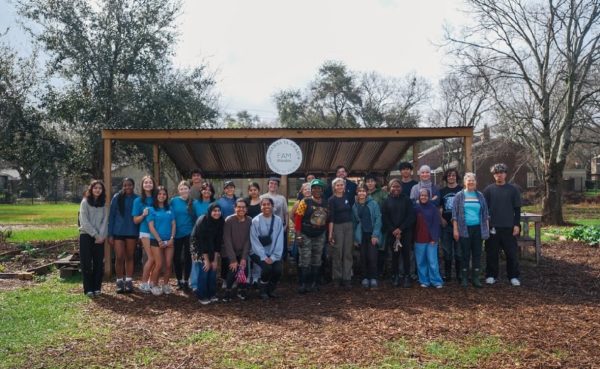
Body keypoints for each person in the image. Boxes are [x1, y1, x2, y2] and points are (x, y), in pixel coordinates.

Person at [483, 163, 522, 286]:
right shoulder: (488, 190)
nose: (499, 175)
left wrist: (516, 225)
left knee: (511, 254)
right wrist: (486, 224)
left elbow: (517, 209)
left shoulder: (513, 189)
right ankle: (491, 275)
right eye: (496, 173)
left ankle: (513, 276)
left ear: (505, 174)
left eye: (501, 172)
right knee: (492, 253)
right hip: (493, 227)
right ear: (493, 175)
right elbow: (484, 209)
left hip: (509, 227)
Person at [452, 172, 490, 288]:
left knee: (477, 254)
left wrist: (486, 229)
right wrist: (455, 230)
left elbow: (485, 213)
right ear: (465, 182)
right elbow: (454, 215)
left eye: (473, 180)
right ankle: (464, 278)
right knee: (465, 254)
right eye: (468, 180)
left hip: (478, 228)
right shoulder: (459, 196)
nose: (471, 182)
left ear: (476, 182)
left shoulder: (480, 196)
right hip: (464, 229)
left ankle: (476, 278)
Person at [294, 178, 329, 293]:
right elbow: (298, 218)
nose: (317, 190)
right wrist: (298, 235)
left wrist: (327, 234)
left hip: (319, 234)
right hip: (305, 233)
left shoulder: (326, 203)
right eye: (314, 188)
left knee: (317, 259)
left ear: (322, 190)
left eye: (319, 188)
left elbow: (328, 220)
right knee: (305, 259)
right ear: (311, 190)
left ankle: (314, 283)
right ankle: (303, 284)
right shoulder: (305, 201)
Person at [381, 178, 416, 288]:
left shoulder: (407, 200)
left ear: (401, 188)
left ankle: (406, 276)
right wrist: (393, 230)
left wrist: (401, 229)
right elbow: (385, 217)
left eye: (398, 186)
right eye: (393, 186)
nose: (395, 188)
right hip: (392, 233)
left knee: (406, 255)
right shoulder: (386, 201)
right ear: (389, 188)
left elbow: (411, 216)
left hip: (405, 232)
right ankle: (395, 276)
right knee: (394, 256)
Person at [108, 177, 139, 293]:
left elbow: (139, 217)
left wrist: (139, 235)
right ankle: (120, 281)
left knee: (129, 257)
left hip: (132, 232)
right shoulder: (117, 197)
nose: (127, 187)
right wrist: (110, 234)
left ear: (133, 186)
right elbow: (111, 216)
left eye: (129, 185)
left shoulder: (137, 199)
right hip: (118, 232)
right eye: (125, 185)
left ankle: (129, 281)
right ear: (123, 186)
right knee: (119, 257)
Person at [250, 197, 285, 300]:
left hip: (273, 252)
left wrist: (274, 257)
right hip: (257, 252)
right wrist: (264, 257)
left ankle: (271, 289)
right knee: (266, 268)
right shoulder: (255, 221)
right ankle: (262, 290)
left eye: (268, 204)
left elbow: (279, 240)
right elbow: (254, 240)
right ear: (260, 207)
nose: (266, 206)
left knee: (278, 270)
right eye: (263, 204)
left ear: (272, 206)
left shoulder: (278, 220)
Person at [79, 180, 108, 297]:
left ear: (102, 191)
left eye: (100, 188)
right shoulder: (85, 202)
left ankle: (97, 287)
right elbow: (84, 221)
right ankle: (88, 289)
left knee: (98, 263)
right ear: (91, 189)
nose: (97, 190)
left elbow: (105, 222)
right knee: (86, 263)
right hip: (86, 235)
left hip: (100, 238)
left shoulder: (103, 205)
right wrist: (95, 235)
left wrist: (101, 236)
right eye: (95, 188)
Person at [191, 203, 224, 304]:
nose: (217, 213)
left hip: (212, 245)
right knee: (205, 269)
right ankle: (202, 295)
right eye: (214, 211)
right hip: (198, 245)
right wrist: (206, 260)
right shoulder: (203, 221)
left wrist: (215, 260)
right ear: (210, 212)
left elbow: (218, 241)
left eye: (218, 210)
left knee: (213, 269)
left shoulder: (221, 221)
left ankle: (212, 293)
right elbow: (202, 242)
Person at [147, 186, 176, 296]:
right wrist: (159, 240)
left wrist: (171, 239)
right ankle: (154, 285)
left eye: (164, 194)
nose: (162, 196)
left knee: (168, 265)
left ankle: (166, 285)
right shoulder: (151, 209)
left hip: (169, 241)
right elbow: (151, 227)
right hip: (156, 241)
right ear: (156, 196)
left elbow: (173, 224)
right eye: (159, 194)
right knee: (158, 264)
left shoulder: (170, 208)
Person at [352, 184, 382, 289]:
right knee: (363, 257)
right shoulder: (355, 206)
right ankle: (364, 278)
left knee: (372, 257)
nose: (361, 193)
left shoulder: (373, 203)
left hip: (372, 234)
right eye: (359, 191)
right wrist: (355, 238)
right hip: (361, 234)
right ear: (357, 192)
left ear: (367, 192)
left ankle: (373, 278)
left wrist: (375, 235)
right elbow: (354, 223)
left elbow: (378, 219)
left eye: (363, 191)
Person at [222, 198, 252, 301]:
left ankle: (241, 289)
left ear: (246, 209)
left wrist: (243, 257)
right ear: (234, 208)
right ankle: (228, 290)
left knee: (244, 269)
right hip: (229, 252)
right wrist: (233, 259)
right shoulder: (229, 220)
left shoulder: (249, 221)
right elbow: (227, 240)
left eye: (243, 207)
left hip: (242, 251)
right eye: (239, 207)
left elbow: (248, 241)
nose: (241, 209)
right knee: (233, 269)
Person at [414, 188, 443, 288]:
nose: (423, 197)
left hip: (431, 239)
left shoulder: (433, 208)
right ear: (418, 196)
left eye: (425, 195)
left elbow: (436, 224)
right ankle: (424, 281)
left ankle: (436, 281)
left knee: (432, 261)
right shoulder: (416, 208)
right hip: (419, 239)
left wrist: (434, 238)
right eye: (421, 195)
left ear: (429, 197)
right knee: (421, 262)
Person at [327, 177, 354, 288]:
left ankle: (347, 278)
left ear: (344, 187)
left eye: (341, 185)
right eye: (337, 185)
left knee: (348, 253)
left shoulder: (347, 197)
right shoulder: (331, 200)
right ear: (334, 187)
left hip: (349, 226)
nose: (339, 187)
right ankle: (337, 278)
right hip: (337, 226)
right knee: (338, 253)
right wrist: (330, 233)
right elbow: (331, 218)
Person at [132, 175, 156, 293]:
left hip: (158, 232)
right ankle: (143, 283)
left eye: (150, 182)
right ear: (142, 185)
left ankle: (151, 282)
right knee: (151, 258)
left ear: (153, 184)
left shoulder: (157, 198)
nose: (148, 184)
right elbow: (135, 220)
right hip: (145, 231)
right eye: (145, 182)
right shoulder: (138, 200)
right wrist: (143, 215)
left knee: (156, 259)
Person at [190, 181, 215, 292]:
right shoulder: (195, 203)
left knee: (208, 259)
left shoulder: (214, 204)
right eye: (205, 189)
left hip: (210, 237)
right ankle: (194, 284)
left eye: (209, 190)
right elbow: (192, 217)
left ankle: (206, 282)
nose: (207, 191)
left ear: (212, 192)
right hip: (197, 236)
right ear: (201, 191)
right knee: (196, 260)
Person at [439, 168, 463, 282]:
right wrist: (441, 218)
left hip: (459, 226)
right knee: (447, 251)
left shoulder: (462, 190)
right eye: (449, 176)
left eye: (453, 175)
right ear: (446, 178)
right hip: (446, 225)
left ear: (456, 177)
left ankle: (459, 275)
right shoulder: (442, 191)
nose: (451, 177)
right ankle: (447, 275)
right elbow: (438, 207)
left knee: (459, 252)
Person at [170, 181, 195, 290]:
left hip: (189, 232)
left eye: (185, 188)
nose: (184, 190)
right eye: (181, 189)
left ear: (189, 190)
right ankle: (179, 280)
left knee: (188, 257)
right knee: (176, 257)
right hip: (176, 232)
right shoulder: (173, 201)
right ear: (178, 190)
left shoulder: (193, 202)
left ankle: (186, 280)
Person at [364, 173, 387, 278]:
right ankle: (369, 272)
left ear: (375, 182)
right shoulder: (363, 194)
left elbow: (388, 204)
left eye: (372, 181)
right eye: (368, 181)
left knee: (380, 247)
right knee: (368, 249)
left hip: (380, 224)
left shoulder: (382, 193)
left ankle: (380, 271)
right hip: (367, 226)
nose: (370, 183)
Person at [260, 177, 289, 258]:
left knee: (279, 247)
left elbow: (286, 213)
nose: (273, 185)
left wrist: (286, 225)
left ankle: (279, 265)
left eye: (275, 184)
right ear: (268, 185)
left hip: (279, 226)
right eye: (271, 183)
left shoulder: (282, 198)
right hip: (266, 226)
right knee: (268, 247)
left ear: (278, 186)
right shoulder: (262, 197)